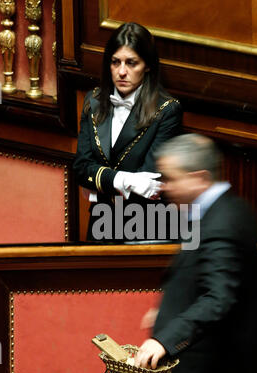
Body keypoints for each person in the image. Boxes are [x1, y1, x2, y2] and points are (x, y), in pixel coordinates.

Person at [134, 133, 257, 373]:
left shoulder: (222, 222)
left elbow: (220, 297)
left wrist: (164, 339)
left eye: (171, 179)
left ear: (198, 178)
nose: (165, 187)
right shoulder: (225, 209)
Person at [73, 22, 182, 242]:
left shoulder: (167, 109)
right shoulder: (92, 100)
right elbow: (81, 169)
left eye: (131, 63)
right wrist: (127, 180)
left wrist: (100, 183)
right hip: (100, 223)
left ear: (148, 66)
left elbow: (152, 182)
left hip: (146, 224)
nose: (122, 71)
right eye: (115, 62)